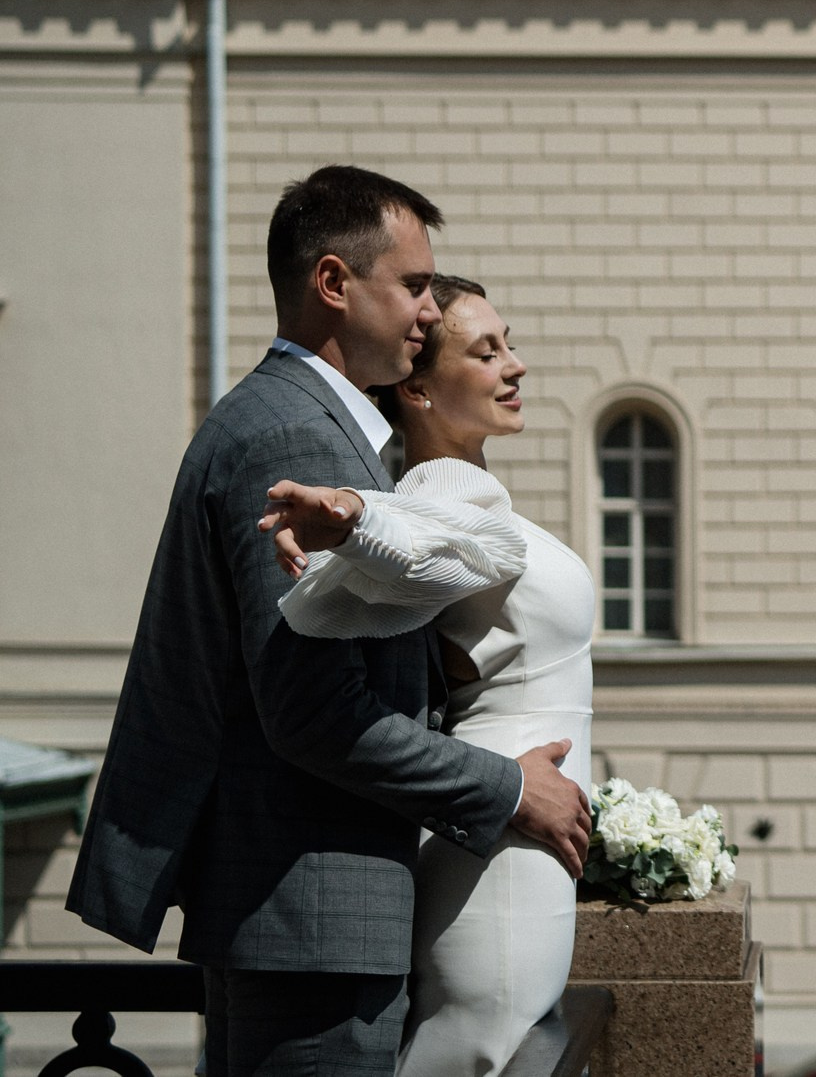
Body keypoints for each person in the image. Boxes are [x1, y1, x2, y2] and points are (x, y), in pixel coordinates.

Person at [66, 167, 591, 1077]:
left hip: (308, 915)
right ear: (335, 283)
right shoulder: (294, 434)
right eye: (414, 284)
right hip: (312, 918)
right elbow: (311, 710)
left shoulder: (308, 425)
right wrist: (508, 788)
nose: (427, 310)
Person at [262, 274, 595, 1077]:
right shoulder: (442, 488)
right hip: (505, 837)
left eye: (509, 344)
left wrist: (358, 520)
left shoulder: (469, 492)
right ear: (416, 389)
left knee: (496, 1041)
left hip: (517, 829)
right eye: (486, 351)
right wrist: (353, 518)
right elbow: (421, 543)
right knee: (479, 1044)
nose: (514, 364)